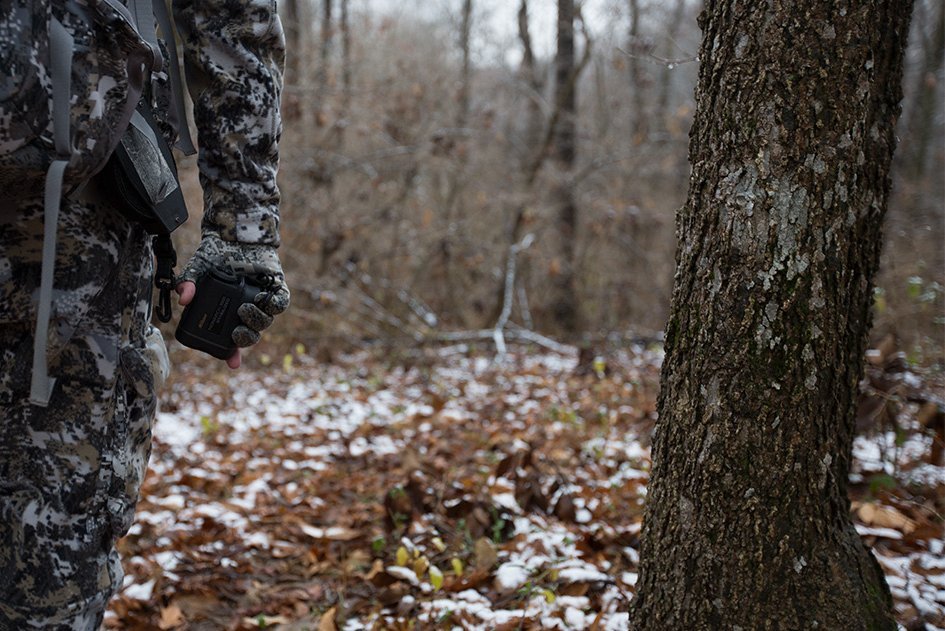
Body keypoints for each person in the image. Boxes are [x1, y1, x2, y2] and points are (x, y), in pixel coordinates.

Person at [0, 0, 289, 627]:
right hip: (74, 200)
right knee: (49, 553)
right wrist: (245, 228)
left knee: (50, 550)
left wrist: (244, 231)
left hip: (72, 197)